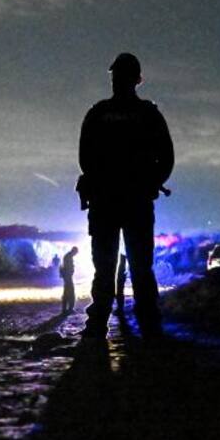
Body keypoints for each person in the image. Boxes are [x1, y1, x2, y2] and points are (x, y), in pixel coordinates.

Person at [77, 52, 174, 338]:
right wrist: (150, 181)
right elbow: (166, 158)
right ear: (137, 80)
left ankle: (99, 324)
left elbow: (85, 158)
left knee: (110, 267)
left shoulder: (98, 113)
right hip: (133, 201)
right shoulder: (148, 114)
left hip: (110, 201)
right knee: (139, 266)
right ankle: (148, 324)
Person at [60, 246, 79, 313]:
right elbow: (68, 267)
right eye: (76, 252)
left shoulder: (67, 256)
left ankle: (65, 309)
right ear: (74, 251)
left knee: (66, 292)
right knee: (70, 292)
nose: (76, 254)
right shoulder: (68, 257)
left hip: (67, 277)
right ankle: (70, 308)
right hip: (68, 277)